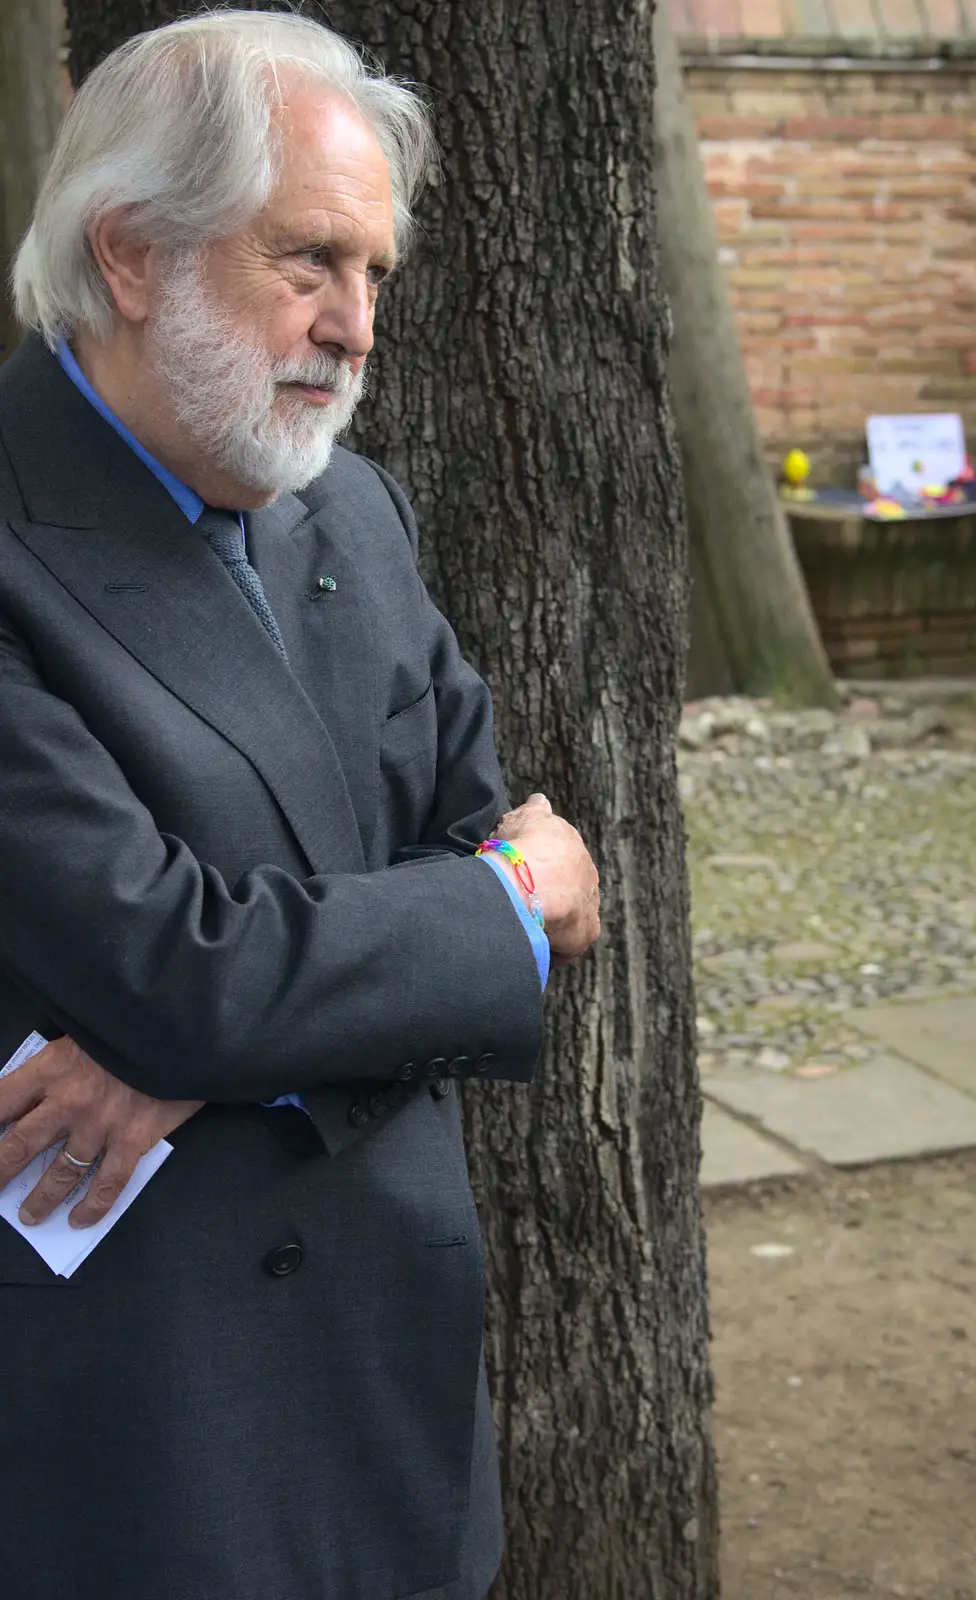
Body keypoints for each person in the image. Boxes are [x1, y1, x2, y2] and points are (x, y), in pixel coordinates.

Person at [0, 12, 600, 1600]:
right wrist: (496, 911)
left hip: (391, 1378)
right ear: (131, 253)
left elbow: (464, 838)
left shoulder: (353, 505)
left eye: (377, 274)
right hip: (144, 1421)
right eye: (310, 262)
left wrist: (209, 1056)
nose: (356, 327)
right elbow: (177, 965)